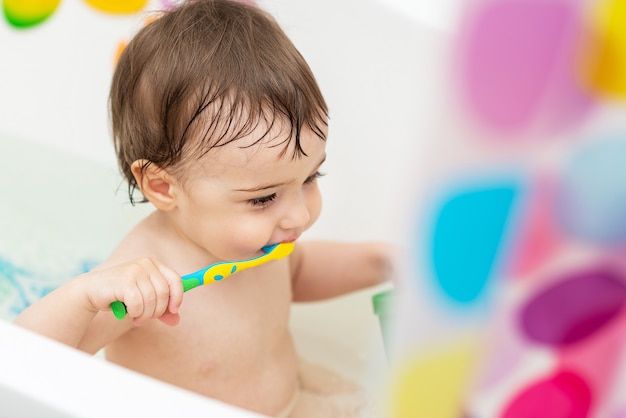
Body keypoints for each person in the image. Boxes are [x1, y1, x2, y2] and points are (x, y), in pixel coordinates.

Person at [14, 0, 393, 416]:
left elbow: (296, 273)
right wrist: (82, 296)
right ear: (162, 187)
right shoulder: (144, 283)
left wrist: (383, 261)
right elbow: (20, 363)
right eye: (263, 198)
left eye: (310, 179)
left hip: (294, 398)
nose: (300, 216)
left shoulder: (262, 239)